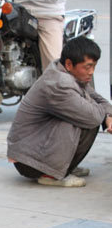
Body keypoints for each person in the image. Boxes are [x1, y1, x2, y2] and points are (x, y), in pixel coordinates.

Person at [8, 37, 112, 187]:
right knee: (85, 119)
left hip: (35, 151)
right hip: (29, 161)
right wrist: (103, 114)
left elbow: (101, 101)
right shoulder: (59, 84)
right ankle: (51, 174)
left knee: (87, 114)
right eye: (87, 67)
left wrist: (108, 115)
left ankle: (62, 167)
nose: (91, 72)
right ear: (69, 64)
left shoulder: (70, 74)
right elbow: (94, 116)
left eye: (94, 66)